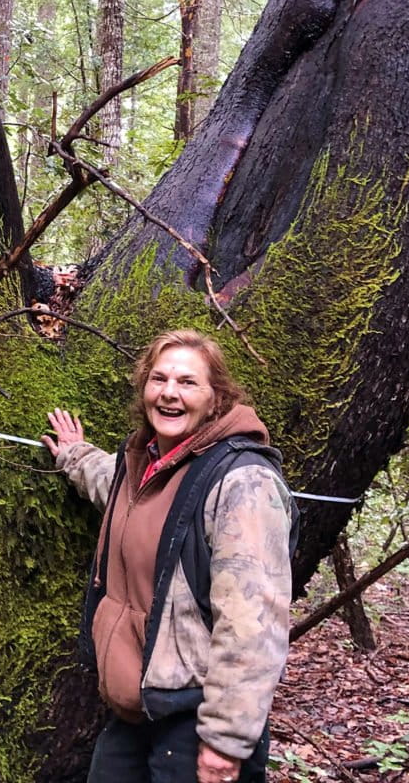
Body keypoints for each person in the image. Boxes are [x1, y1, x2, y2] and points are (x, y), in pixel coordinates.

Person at [43, 330, 293, 783]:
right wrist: (75, 454)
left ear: (216, 396)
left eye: (187, 382)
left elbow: (254, 622)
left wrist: (225, 740)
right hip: (137, 713)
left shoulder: (242, 481)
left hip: (197, 719)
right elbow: (116, 488)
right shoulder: (145, 464)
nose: (170, 393)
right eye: (158, 379)